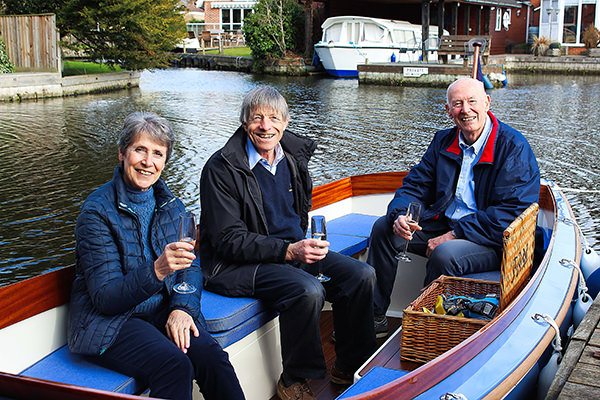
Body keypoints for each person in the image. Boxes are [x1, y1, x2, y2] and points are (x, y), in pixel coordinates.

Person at [199, 86, 377, 400]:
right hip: (236, 263)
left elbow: (298, 213)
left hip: (289, 248)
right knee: (308, 290)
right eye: (257, 118)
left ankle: (350, 365)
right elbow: (227, 240)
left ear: (285, 121)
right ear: (244, 123)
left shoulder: (292, 156)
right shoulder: (221, 168)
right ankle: (293, 380)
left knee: (360, 276)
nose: (265, 126)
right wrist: (287, 250)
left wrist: (296, 245)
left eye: (273, 118)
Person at [68, 111, 245, 400]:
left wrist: (182, 308)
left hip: (162, 309)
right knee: (174, 365)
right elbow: (105, 298)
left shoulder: (169, 203)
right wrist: (158, 270)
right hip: (110, 323)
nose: (148, 162)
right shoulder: (96, 213)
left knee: (214, 359)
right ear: (122, 153)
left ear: (164, 161)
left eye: (158, 154)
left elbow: (189, 267)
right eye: (140, 150)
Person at [367, 77, 540, 335]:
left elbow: (511, 212)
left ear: (487, 103)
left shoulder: (512, 147)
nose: (466, 110)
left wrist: (456, 234)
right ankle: (374, 319)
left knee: (445, 254)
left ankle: (426, 330)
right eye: (457, 104)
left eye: (472, 101)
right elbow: (415, 186)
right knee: (384, 228)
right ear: (449, 111)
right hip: (446, 224)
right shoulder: (443, 141)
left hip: (492, 240)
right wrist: (400, 215)